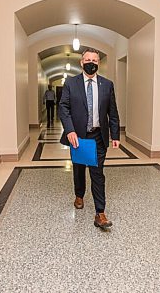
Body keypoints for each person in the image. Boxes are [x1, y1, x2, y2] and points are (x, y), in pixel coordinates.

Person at [59, 48, 120, 229]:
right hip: (77, 136)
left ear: (99, 63)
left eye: (94, 60)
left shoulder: (107, 85)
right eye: (87, 60)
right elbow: (64, 108)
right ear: (81, 62)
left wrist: (115, 134)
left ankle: (100, 212)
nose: (91, 63)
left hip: (98, 137)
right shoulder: (71, 83)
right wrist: (69, 130)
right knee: (78, 170)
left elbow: (112, 112)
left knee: (97, 174)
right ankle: (79, 194)